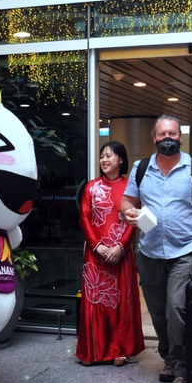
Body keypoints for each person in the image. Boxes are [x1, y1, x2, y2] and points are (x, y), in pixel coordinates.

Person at [120, 115, 192, 383]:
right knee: (159, 312)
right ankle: (169, 359)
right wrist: (128, 211)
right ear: (154, 138)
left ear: (180, 137)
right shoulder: (141, 169)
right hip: (149, 252)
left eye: (172, 134)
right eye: (162, 134)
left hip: (184, 250)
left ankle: (184, 368)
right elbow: (128, 200)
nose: (167, 139)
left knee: (177, 309)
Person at [76, 141, 145, 366]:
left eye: (110, 156)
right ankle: (92, 351)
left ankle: (119, 349)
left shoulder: (131, 188)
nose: (105, 160)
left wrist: (120, 247)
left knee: (120, 301)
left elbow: (135, 220)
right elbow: (84, 218)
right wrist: (97, 246)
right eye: (102, 156)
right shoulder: (91, 187)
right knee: (95, 301)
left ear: (121, 160)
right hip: (95, 254)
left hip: (120, 252)